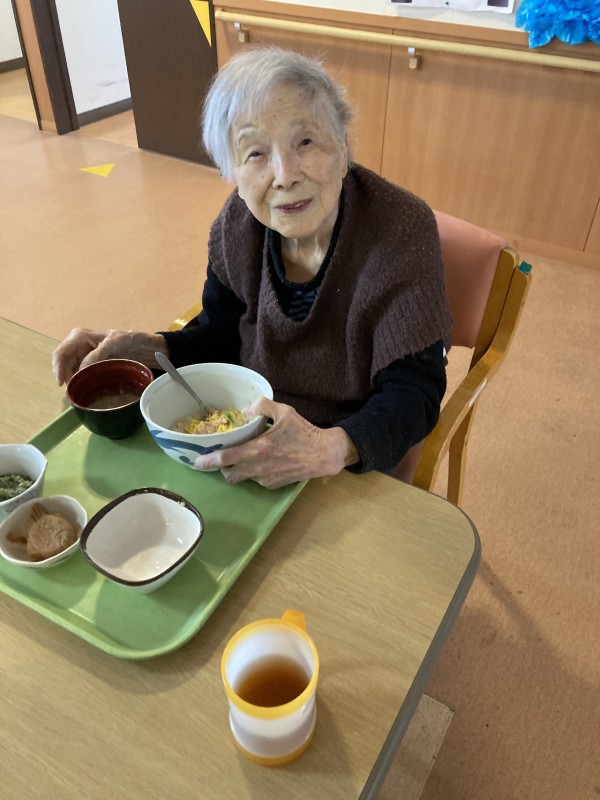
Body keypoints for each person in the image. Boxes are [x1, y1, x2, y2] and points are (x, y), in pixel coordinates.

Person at [52, 48, 452, 489]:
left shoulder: (401, 231)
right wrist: (147, 347)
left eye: (305, 142)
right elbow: (220, 337)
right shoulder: (237, 226)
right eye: (255, 153)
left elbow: (414, 393)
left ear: (343, 148)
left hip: (348, 454)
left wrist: (331, 447)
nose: (284, 175)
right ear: (232, 174)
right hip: (247, 435)